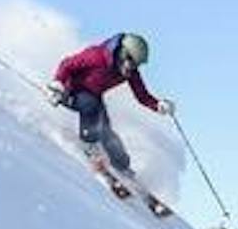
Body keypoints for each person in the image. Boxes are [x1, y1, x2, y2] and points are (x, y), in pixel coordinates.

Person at [52, 31, 167, 194]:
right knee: (90, 106)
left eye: (136, 65)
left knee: (107, 132)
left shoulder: (128, 72)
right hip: (70, 92)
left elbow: (141, 95)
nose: (132, 68)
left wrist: (158, 105)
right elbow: (67, 64)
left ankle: (122, 166)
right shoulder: (97, 56)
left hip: (93, 96)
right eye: (131, 62)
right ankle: (90, 146)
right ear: (122, 53)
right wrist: (57, 84)